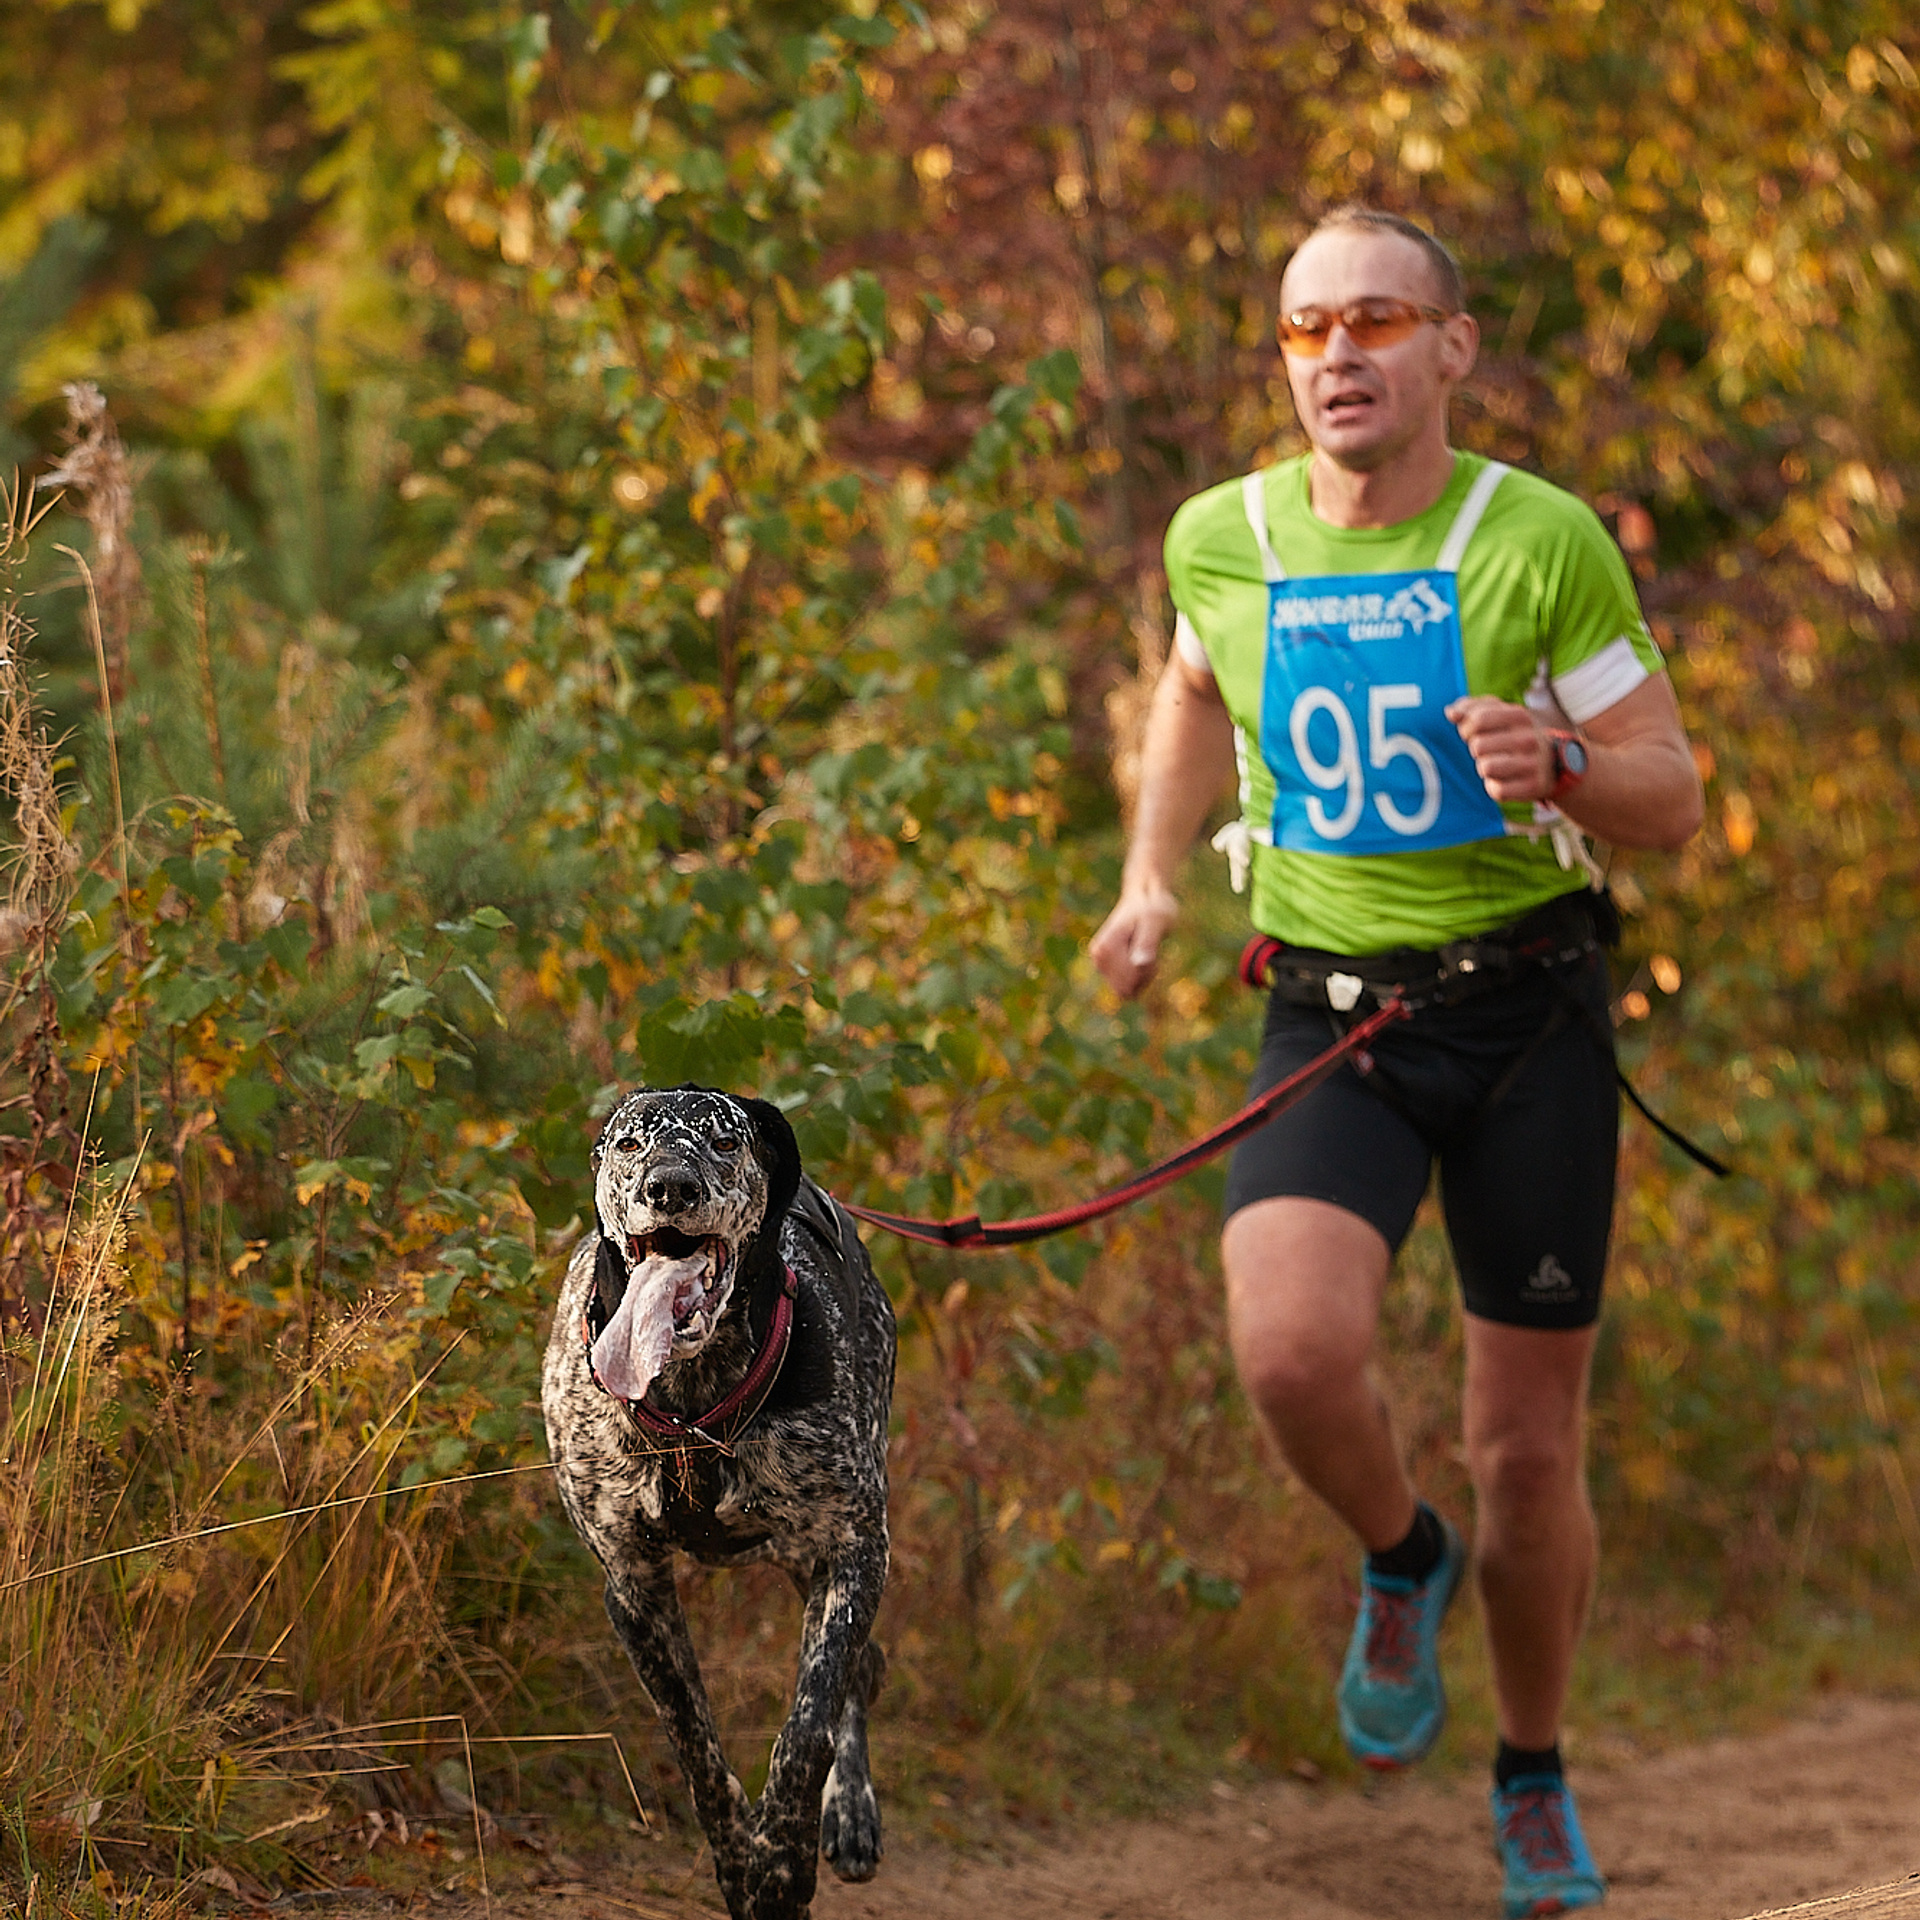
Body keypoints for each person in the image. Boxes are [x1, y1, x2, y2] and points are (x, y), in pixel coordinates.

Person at [1090, 205, 1703, 1920]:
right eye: (1304, 329)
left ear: (1453, 348)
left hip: (1527, 1021)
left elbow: (1675, 788)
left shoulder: (1540, 541)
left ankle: (1529, 1770)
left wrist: (1570, 760)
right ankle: (1397, 1554)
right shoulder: (1229, 534)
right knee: (1290, 1353)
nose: (1337, 356)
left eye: (1374, 319)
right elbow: (1195, 688)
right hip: (1334, 1015)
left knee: (1524, 1447)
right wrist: (1151, 877)